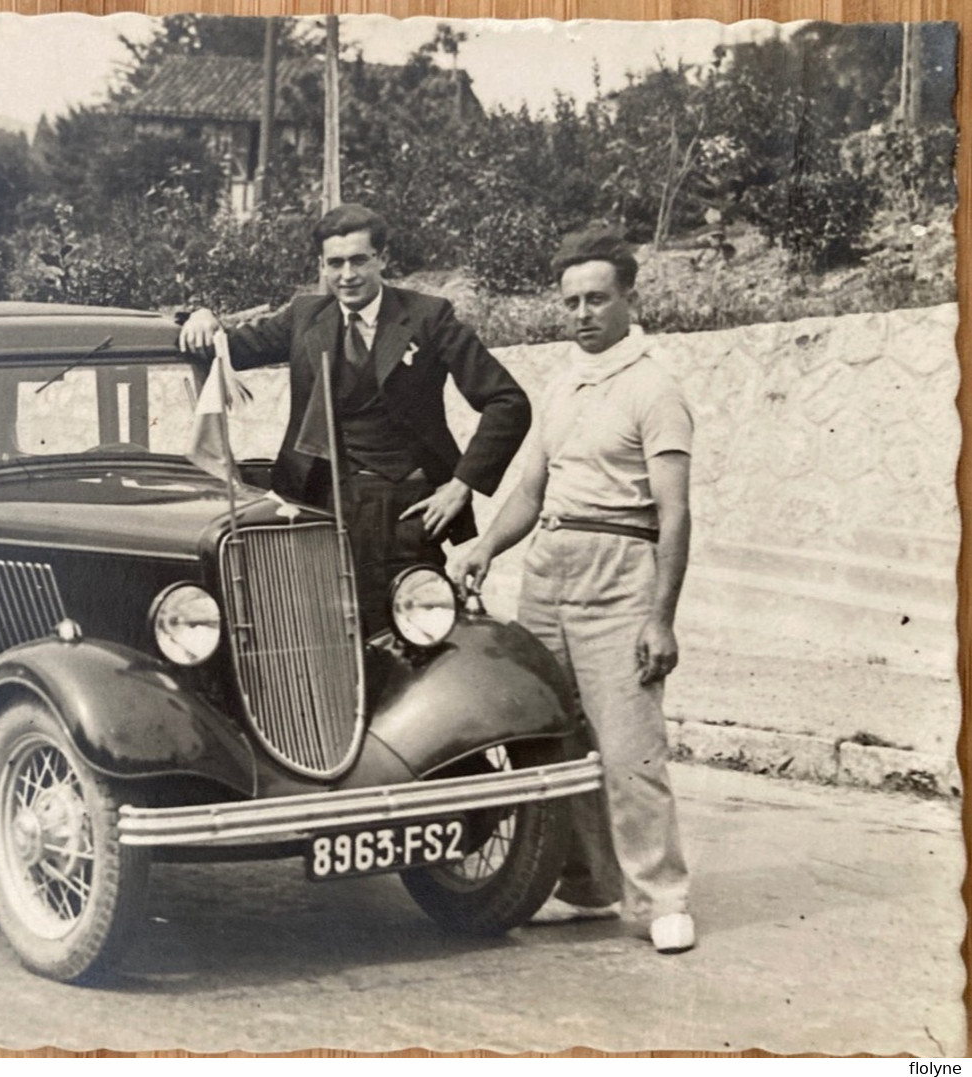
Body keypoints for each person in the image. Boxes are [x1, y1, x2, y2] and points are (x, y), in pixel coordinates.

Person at [447, 227, 696, 955]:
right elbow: (530, 489)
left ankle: (662, 896)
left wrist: (661, 619)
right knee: (554, 741)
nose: (582, 312)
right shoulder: (561, 383)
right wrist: (483, 546)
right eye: (571, 301)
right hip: (547, 568)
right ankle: (589, 885)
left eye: (597, 298)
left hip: (619, 570)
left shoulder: (655, 387)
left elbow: (674, 513)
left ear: (628, 298)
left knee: (629, 748)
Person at [178, 203, 530, 631]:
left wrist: (461, 486)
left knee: (412, 638)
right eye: (336, 263)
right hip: (317, 510)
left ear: (382, 259)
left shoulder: (428, 317)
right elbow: (227, 344)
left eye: (360, 260)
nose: (348, 275)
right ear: (322, 266)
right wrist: (201, 316)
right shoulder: (306, 316)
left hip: (405, 515)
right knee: (316, 634)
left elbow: (508, 402)